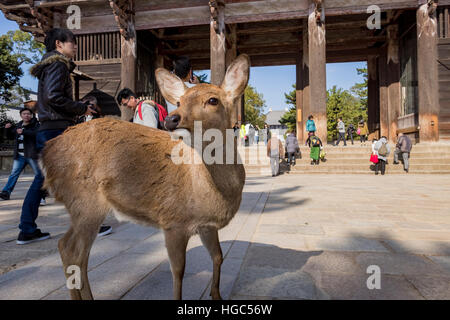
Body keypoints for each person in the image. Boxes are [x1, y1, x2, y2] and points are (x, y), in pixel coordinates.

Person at [19, 28, 111, 245]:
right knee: (79, 176)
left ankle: (26, 228)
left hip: (48, 128)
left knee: (43, 180)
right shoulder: (58, 64)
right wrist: (80, 107)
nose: (76, 47)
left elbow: (51, 97)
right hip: (57, 130)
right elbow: (53, 97)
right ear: (59, 44)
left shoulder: (49, 65)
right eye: (73, 43)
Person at [0, 108, 41, 201]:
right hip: (20, 155)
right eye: (24, 114)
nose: (26, 115)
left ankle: (41, 195)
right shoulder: (18, 125)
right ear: (21, 115)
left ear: (31, 115)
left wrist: (24, 132)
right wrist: (7, 129)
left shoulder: (36, 125)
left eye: (28, 114)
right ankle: (6, 192)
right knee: (14, 174)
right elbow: (10, 136)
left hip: (31, 155)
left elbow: (36, 134)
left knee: (39, 175)